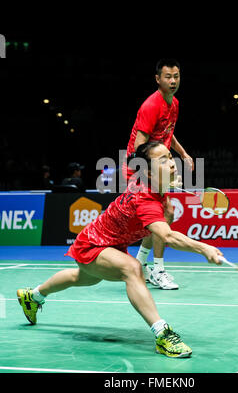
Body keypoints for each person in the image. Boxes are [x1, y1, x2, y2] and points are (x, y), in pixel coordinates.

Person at [17, 142, 223, 359]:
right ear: (148, 172)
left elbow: (146, 170)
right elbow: (167, 236)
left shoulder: (146, 181)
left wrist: (166, 183)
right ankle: (162, 333)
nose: (171, 163)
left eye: (170, 157)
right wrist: (204, 248)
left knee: (84, 278)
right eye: (162, 160)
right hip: (93, 244)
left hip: (107, 241)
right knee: (132, 268)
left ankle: (33, 295)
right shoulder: (145, 199)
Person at [123, 58, 194, 290]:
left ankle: (141, 264)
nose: (173, 81)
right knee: (165, 214)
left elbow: (167, 133)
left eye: (176, 76)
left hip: (155, 166)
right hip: (139, 167)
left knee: (163, 216)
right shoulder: (150, 106)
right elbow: (138, 149)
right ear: (158, 79)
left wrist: (183, 154)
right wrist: (154, 175)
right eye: (168, 77)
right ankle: (156, 268)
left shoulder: (174, 104)